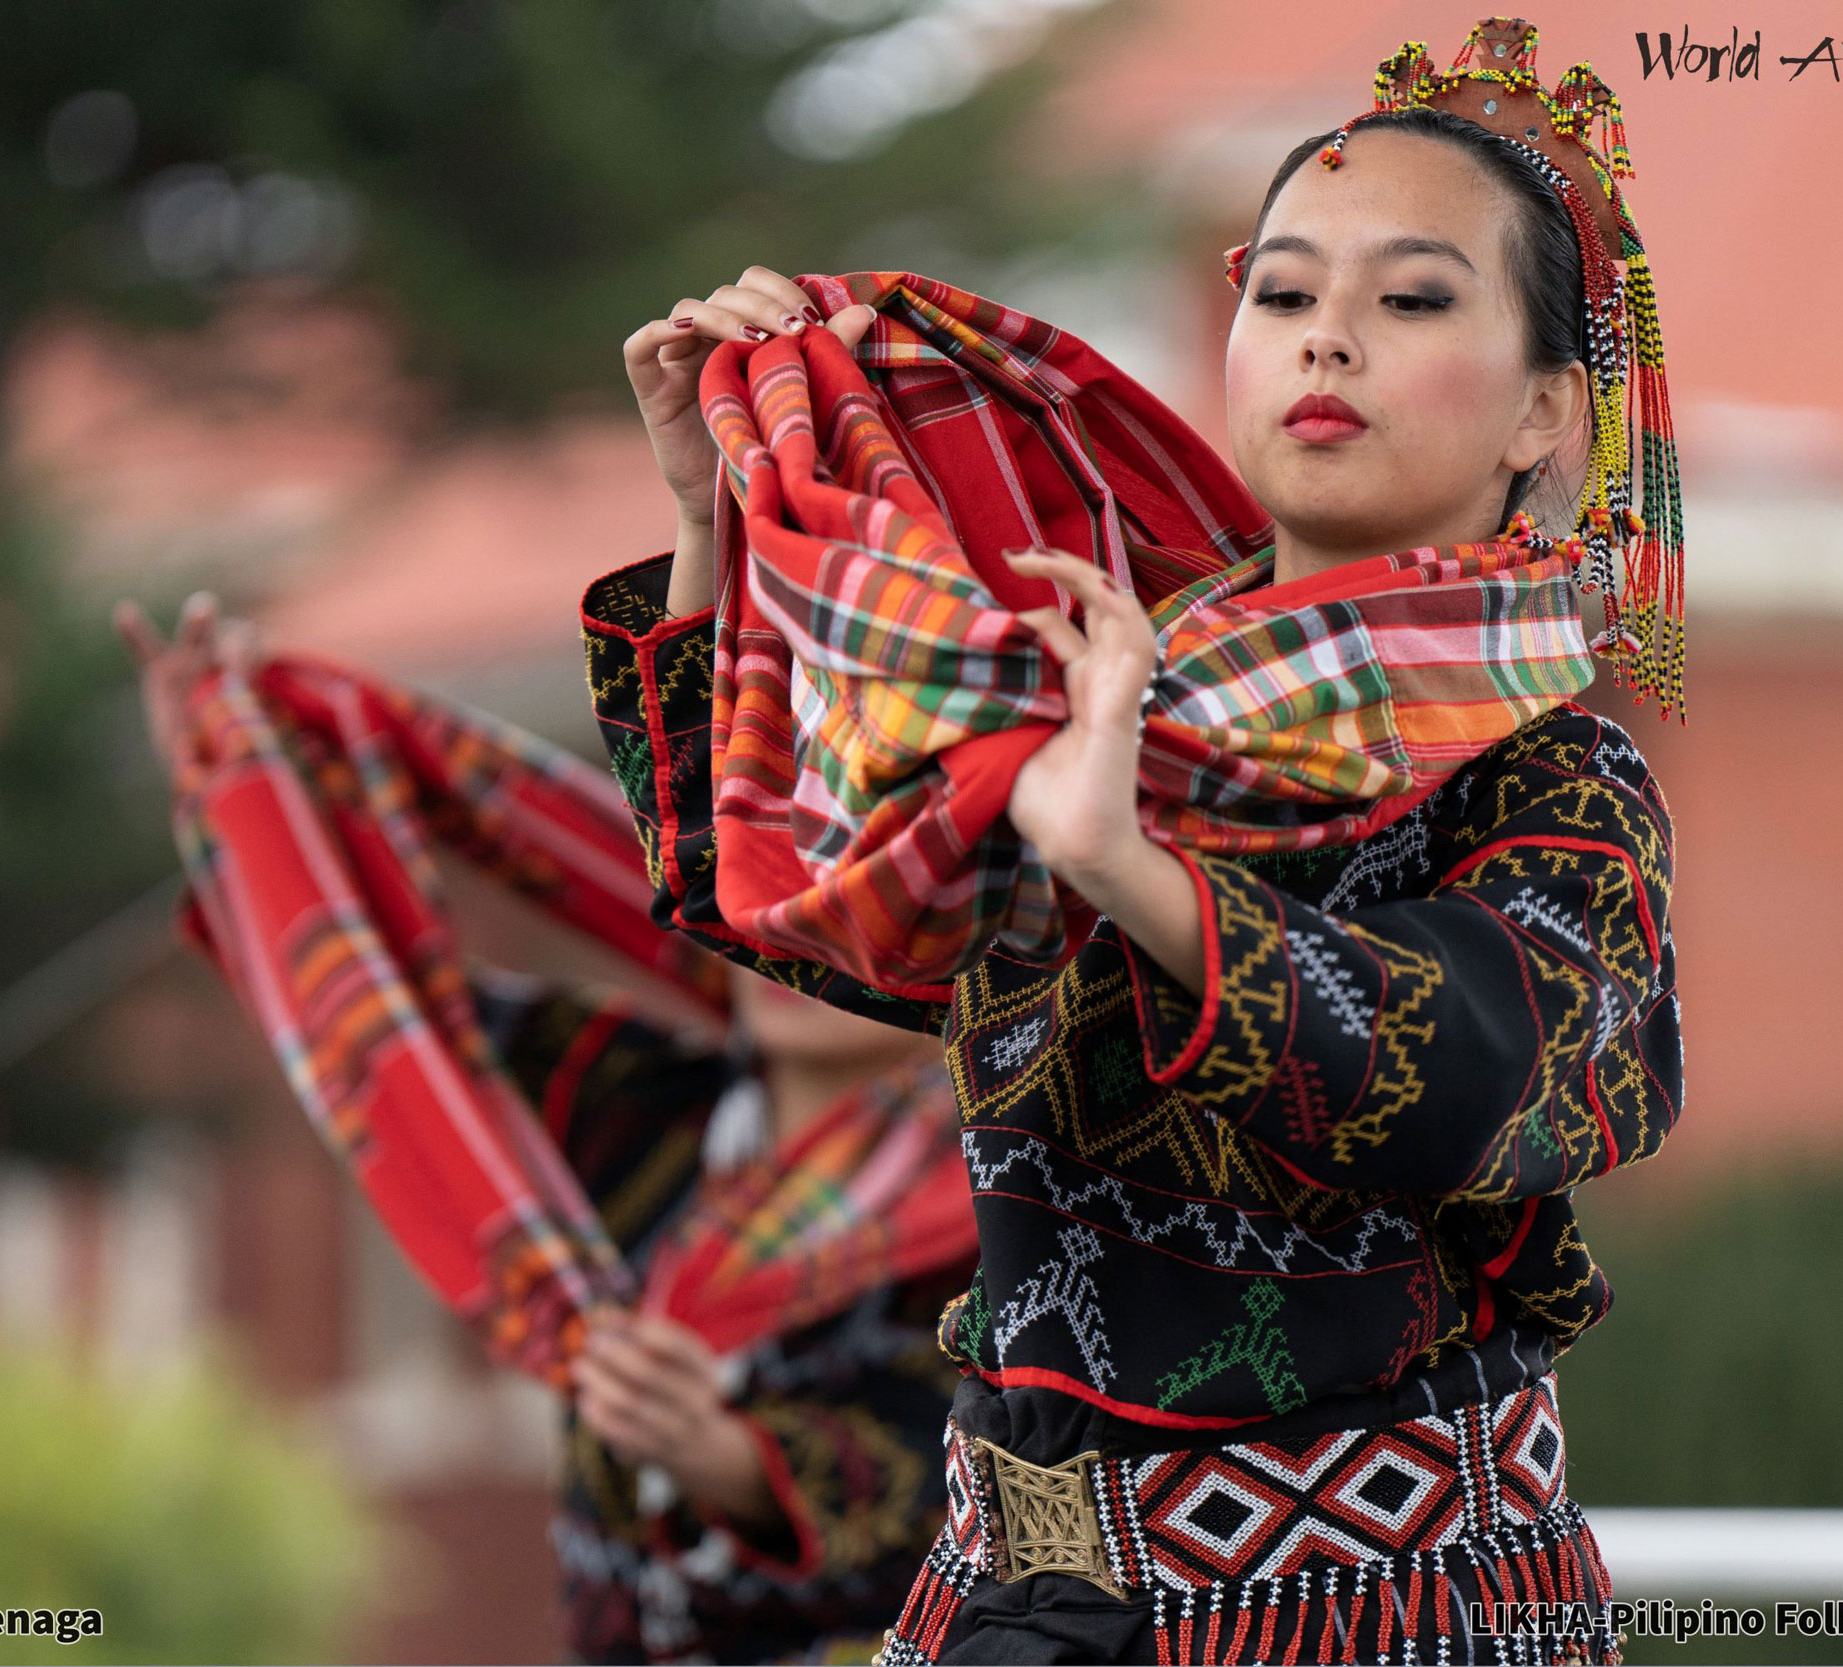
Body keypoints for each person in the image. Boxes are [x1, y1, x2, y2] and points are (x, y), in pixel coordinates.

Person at [582, 17, 1680, 1665]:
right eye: (1287, 294)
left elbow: (1496, 1076)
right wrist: (714, 517)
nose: (1328, 343)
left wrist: (1135, 874)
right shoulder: (1108, 679)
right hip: (1001, 1598)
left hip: (1382, 1609)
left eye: (1411, 298)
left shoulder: (1551, 773)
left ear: (1542, 412)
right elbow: (793, 901)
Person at [120, 597, 975, 1664]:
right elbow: (372, 1024)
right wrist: (234, 790)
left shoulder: (1009, 1187)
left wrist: (729, 1455)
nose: (785, 934)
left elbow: (985, 1488)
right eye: (769, 887)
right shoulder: (637, 1098)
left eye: (840, 898)